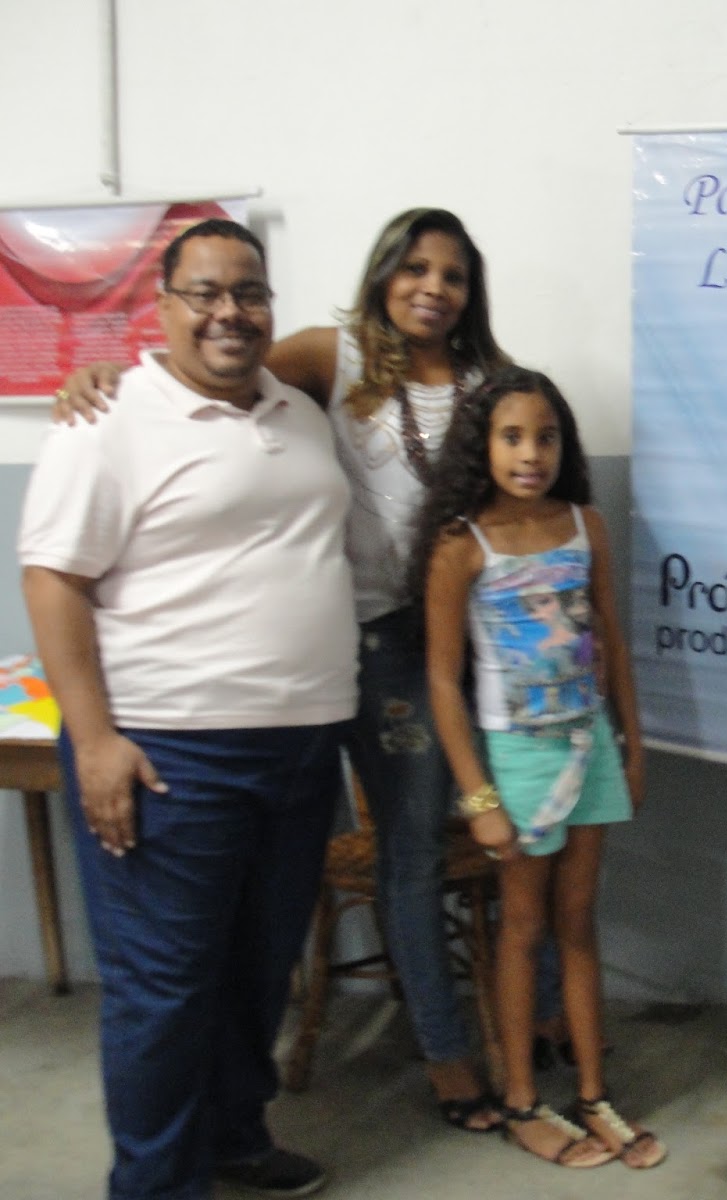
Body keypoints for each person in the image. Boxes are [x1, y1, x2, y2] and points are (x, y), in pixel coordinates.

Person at [56, 208, 523, 1131]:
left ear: (473, 293)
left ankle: (516, 1037)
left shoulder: (492, 381)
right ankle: (446, 1058)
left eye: (453, 275)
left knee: (470, 844)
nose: (432, 288)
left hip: (452, 646)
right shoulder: (327, 356)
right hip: (353, 652)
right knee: (399, 857)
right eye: (413, 268)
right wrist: (102, 371)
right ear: (381, 274)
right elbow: (208, 366)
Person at [20, 218, 356, 1199]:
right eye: (204, 293)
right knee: (164, 988)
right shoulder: (108, 419)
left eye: (248, 292)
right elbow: (53, 579)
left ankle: (233, 1137)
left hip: (300, 746)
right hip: (171, 752)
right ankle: (156, 1184)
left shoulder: (298, 410)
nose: (228, 313)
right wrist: (94, 741)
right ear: (161, 308)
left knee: (258, 969)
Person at [418, 366, 664, 1169]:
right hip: (519, 759)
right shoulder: (462, 544)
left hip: (590, 747)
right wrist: (479, 796)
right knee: (522, 928)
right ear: (482, 445)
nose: (531, 454)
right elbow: (442, 683)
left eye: (546, 437)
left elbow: (610, 640)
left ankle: (592, 1093)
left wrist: (633, 743)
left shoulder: (586, 524)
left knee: (578, 921)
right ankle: (522, 1101)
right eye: (513, 437)